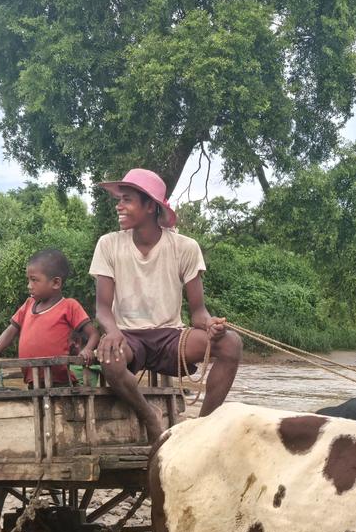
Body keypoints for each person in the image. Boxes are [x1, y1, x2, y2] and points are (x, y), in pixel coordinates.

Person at [89, 168, 242, 443]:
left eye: (127, 200)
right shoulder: (108, 244)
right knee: (110, 358)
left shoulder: (185, 247)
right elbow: (102, 307)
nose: (119, 206)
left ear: (150, 206)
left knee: (231, 344)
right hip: (128, 337)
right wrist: (111, 331)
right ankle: (149, 416)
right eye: (119, 199)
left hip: (171, 337)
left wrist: (210, 325)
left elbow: (198, 313)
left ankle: (202, 427)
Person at [0, 248, 99, 385]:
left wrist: (88, 350)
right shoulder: (29, 304)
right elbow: (10, 330)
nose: (29, 286)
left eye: (34, 280)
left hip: (61, 382)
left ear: (56, 283)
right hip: (33, 381)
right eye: (28, 280)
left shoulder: (69, 306)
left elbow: (94, 333)